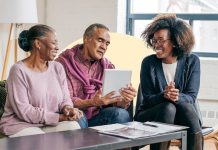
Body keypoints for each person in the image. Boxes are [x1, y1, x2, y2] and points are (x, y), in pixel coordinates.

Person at [0, 24, 86, 138]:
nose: (57, 47)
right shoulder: (18, 70)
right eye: (54, 43)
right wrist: (59, 118)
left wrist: (68, 109)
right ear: (38, 44)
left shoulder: (57, 67)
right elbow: (24, 111)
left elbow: (65, 98)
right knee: (40, 139)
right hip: (21, 125)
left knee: (73, 127)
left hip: (47, 123)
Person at [134, 14, 203, 150]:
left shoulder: (192, 61)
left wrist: (177, 96)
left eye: (161, 40)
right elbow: (146, 100)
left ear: (175, 41)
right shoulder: (149, 63)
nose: (156, 45)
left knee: (187, 107)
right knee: (167, 108)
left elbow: (191, 96)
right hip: (151, 115)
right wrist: (163, 96)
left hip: (182, 115)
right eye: (154, 40)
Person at [56, 23, 136, 127]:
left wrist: (125, 99)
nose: (104, 47)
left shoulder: (107, 66)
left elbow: (114, 102)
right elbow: (63, 100)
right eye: (100, 40)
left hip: (97, 116)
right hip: (73, 114)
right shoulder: (63, 64)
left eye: (107, 43)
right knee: (77, 119)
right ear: (86, 39)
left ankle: (112, 144)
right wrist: (93, 102)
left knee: (121, 114)